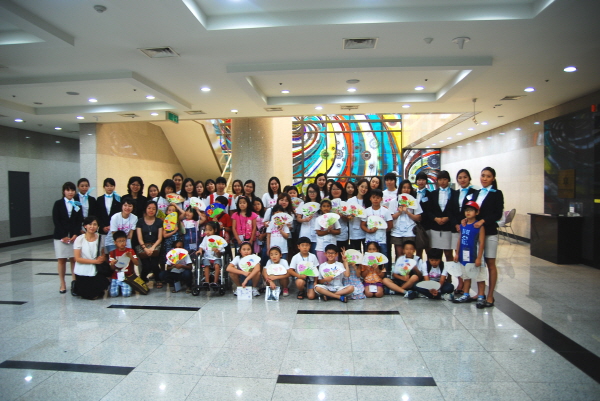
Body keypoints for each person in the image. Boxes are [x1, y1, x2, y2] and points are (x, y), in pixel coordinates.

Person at [472, 167, 503, 307]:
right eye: (483, 175)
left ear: (493, 178)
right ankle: (480, 293)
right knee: (478, 263)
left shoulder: (497, 193)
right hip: (476, 233)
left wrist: (483, 221)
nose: (484, 178)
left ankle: (490, 295)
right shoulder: (476, 193)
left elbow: (498, 214)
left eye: (488, 176)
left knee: (490, 263)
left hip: (489, 231)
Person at [450, 169, 478, 295]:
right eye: (460, 177)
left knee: (468, 256)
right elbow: (451, 210)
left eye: (465, 177)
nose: (462, 180)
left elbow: (474, 209)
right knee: (457, 255)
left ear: (469, 178)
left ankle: (468, 283)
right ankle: (460, 282)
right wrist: (456, 224)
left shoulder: (475, 192)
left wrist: (467, 222)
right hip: (457, 227)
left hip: (469, 227)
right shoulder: (455, 193)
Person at [454, 201, 486, 305]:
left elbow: (482, 242)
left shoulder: (479, 226)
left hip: (475, 256)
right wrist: (457, 253)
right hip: (464, 256)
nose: (468, 212)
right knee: (466, 276)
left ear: (477, 212)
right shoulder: (463, 225)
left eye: (471, 210)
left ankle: (481, 296)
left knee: (479, 277)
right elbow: (459, 239)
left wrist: (479, 257)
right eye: (466, 210)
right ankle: (466, 294)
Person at [53, 182, 83, 293]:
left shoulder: (77, 204)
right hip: (61, 237)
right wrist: (63, 235)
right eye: (68, 190)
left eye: (72, 190)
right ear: (63, 191)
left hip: (74, 237)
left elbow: (79, 220)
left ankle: (74, 283)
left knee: (74, 260)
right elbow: (56, 220)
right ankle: (62, 283)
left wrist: (75, 234)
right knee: (61, 260)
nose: (70, 192)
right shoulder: (58, 204)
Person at [72, 215, 109, 300]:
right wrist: (94, 261)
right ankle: (77, 286)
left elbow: (104, 254)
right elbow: (77, 258)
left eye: (95, 224)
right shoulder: (79, 239)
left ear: (98, 226)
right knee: (90, 295)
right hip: (82, 270)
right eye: (90, 224)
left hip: (96, 269)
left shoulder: (101, 238)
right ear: (85, 226)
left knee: (100, 287)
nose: (92, 227)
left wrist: (102, 258)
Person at [426, 170, 455, 261]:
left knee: (448, 254)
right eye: (440, 179)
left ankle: (449, 270)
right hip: (435, 227)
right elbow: (428, 210)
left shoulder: (454, 193)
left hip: (448, 227)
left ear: (448, 180)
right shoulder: (433, 194)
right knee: (435, 254)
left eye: (445, 179)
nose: (442, 181)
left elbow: (455, 210)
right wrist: (435, 218)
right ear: (437, 181)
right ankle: (438, 270)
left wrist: (448, 218)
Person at [389, 179, 422, 258]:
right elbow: (391, 217)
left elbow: (418, 217)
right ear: (400, 189)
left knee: (409, 253)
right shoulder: (394, 201)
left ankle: (410, 266)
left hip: (410, 230)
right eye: (404, 187)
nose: (406, 190)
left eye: (408, 188)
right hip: (397, 231)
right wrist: (399, 212)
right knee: (399, 254)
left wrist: (408, 212)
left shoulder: (414, 201)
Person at [360, 189, 393, 268]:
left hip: (382, 240)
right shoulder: (366, 211)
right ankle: (369, 274)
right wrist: (368, 230)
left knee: (383, 258)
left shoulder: (386, 211)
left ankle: (384, 273)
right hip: (369, 239)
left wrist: (382, 230)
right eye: (373, 197)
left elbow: (390, 225)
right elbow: (362, 225)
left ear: (381, 199)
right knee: (369, 259)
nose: (375, 199)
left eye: (378, 198)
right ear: (370, 198)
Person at [136, 200, 163, 283]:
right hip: (143, 246)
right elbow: (140, 238)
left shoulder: (159, 221)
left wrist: (152, 248)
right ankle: (143, 279)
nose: (151, 210)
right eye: (149, 208)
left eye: (154, 209)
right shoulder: (140, 221)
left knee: (154, 265)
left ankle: (158, 280)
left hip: (156, 246)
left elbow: (160, 238)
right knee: (146, 266)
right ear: (145, 209)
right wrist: (145, 248)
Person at [108, 230, 140, 297]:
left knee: (126, 294)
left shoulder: (130, 251)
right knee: (113, 294)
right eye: (119, 241)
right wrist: (112, 263)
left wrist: (131, 257)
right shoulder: (112, 252)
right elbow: (112, 268)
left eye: (124, 240)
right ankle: (119, 287)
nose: (122, 243)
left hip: (127, 277)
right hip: (115, 276)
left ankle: (125, 287)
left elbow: (137, 263)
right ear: (115, 242)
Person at [196, 221, 224, 288]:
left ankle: (215, 282)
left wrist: (217, 251)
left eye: (210, 230)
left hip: (216, 258)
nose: (207, 232)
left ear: (215, 230)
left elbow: (221, 253)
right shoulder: (205, 238)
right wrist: (200, 250)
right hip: (207, 257)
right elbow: (202, 246)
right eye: (206, 230)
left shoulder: (219, 239)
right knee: (206, 265)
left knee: (217, 266)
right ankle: (207, 282)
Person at [347, 178, 371, 251]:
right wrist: (349, 217)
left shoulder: (369, 201)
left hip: (367, 231)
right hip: (354, 232)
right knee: (356, 254)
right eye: (362, 186)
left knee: (367, 253)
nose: (363, 189)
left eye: (366, 187)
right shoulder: (350, 201)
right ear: (357, 187)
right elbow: (346, 215)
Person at [297, 183, 321, 253]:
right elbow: (298, 218)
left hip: (317, 234)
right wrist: (304, 220)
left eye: (314, 191)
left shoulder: (321, 204)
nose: (312, 193)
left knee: (314, 255)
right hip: (305, 233)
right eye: (310, 191)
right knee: (304, 254)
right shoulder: (303, 204)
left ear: (317, 192)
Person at [315, 199, 341, 263]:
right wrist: (328, 231)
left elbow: (338, 231)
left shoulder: (334, 218)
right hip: (321, 246)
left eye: (328, 206)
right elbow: (318, 233)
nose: (326, 208)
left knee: (333, 263)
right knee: (322, 264)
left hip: (332, 245)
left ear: (331, 207)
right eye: (324, 206)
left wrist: (331, 230)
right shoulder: (318, 219)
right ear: (320, 208)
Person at [414, 172, 430, 258]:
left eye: (423, 180)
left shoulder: (430, 194)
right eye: (419, 180)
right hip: (415, 224)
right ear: (416, 181)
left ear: (426, 181)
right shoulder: (413, 194)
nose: (421, 182)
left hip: (426, 224)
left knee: (428, 248)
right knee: (418, 249)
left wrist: (422, 217)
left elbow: (430, 209)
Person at [329, 182, 349, 249]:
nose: (335, 191)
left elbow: (347, 219)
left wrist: (342, 216)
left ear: (341, 190)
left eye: (338, 189)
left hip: (342, 234)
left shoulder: (345, 203)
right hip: (330, 233)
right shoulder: (327, 203)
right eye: (333, 189)